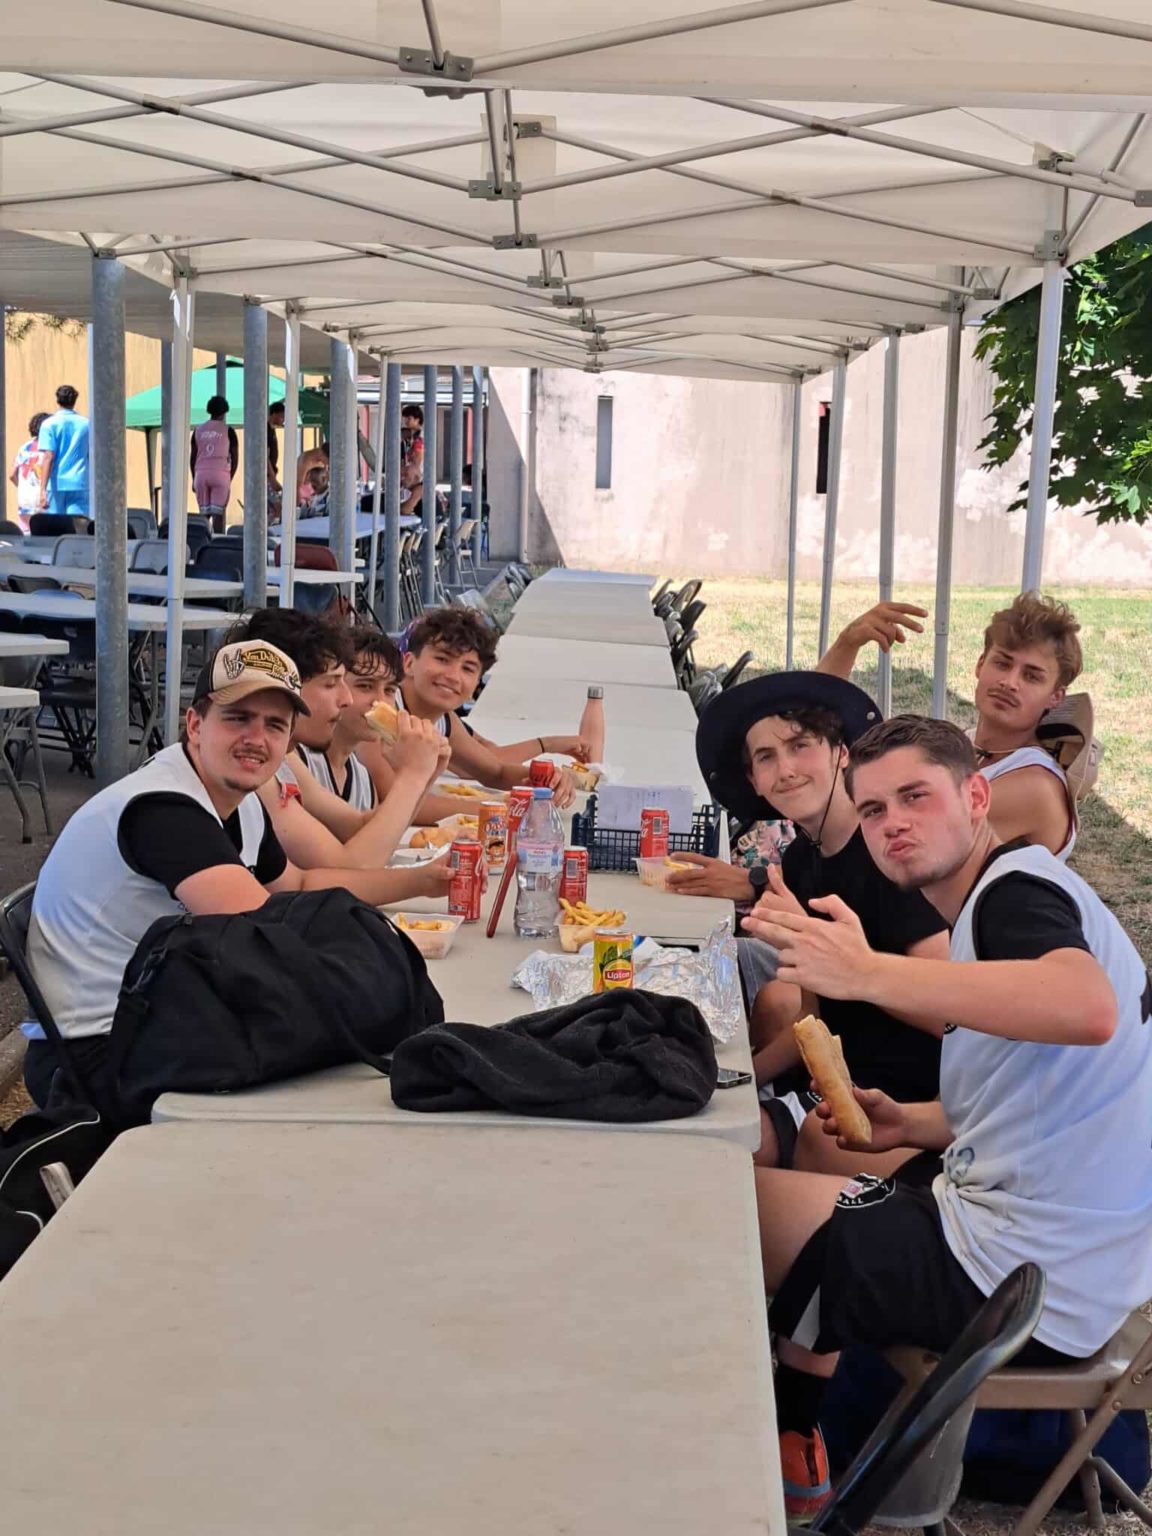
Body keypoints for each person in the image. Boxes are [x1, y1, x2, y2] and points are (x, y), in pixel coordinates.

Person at [747, 715, 1152, 1520]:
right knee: (817, 1162)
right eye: (872, 809)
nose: (893, 823)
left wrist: (868, 973)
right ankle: (799, 1432)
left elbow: (1087, 1008)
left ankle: (790, 1455)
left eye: (916, 797)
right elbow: (1039, 1088)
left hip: (1028, 1282)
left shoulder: (1015, 892)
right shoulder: (992, 903)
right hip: (1056, 1249)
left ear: (976, 798)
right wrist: (916, 1123)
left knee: (717, 1204)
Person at [23, 640, 450, 1110]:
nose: (256, 738)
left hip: (159, 1018)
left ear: (289, 741)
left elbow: (300, 886)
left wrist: (424, 881)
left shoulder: (238, 802)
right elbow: (267, 937)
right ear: (195, 724)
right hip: (97, 1053)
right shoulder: (164, 809)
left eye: (274, 725)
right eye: (238, 718)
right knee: (346, 1073)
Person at [696, 672, 950, 1170]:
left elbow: (952, 1017)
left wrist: (846, 963)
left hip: (897, 1111)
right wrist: (738, 1080)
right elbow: (814, 1019)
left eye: (800, 746)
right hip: (830, 1088)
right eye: (766, 757)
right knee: (702, 1125)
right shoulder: (800, 862)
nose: (786, 769)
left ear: (842, 753)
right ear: (753, 780)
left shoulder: (888, 856)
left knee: (715, 1160)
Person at [819, 592, 1085, 859]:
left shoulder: (1035, 786)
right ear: (980, 665)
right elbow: (815, 730)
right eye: (1002, 663)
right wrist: (847, 643)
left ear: (1056, 697)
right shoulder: (964, 743)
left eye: (1031, 676)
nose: (1010, 682)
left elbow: (868, 833)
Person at [234, 609, 453, 888]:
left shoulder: (285, 759)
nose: (346, 699)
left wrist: (426, 774)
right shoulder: (257, 769)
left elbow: (359, 828)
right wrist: (412, 776)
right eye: (331, 684)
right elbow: (351, 869)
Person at [361, 608, 581, 809]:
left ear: (477, 683)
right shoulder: (378, 712)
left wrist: (546, 779)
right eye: (442, 659)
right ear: (408, 663)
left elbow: (496, 772)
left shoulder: (444, 720)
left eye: (467, 669)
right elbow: (398, 803)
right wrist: (499, 808)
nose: (453, 676)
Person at [36, 385, 90, 519]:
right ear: (74, 401)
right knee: (78, 524)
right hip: (79, 481)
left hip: (56, 483)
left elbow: (49, 456)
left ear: (57, 400)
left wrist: (42, 489)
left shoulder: (49, 424)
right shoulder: (86, 424)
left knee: (56, 525)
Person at [189, 394, 239, 529]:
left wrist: (194, 478)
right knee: (218, 515)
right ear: (224, 412)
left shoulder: (198, 431)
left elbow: (193, 457)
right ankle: (217, 538)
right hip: (221, 474)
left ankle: (203, 536)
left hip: (201, 474)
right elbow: (235, 457)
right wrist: (229, 477)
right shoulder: (229, 431)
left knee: (204, 515)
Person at [8, 411, 49, 532]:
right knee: (44, 537)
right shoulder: (48, 450)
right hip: (42, 501)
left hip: (24, 500)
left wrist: (23, 487)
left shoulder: (24, 448)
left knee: (25, 534)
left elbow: (11, 474)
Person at [296, 440, 330, 505]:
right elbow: (297, 487)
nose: (327, 464)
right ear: (323, 455)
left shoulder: (322, 463)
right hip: (301, 498)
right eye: (327, 462)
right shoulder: (305, 461)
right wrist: (297, 506)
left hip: (315, 499)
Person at [267, 400, 285, 521]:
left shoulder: (271, 430)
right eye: (282, 416)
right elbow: (265, 455)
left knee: (273, 507)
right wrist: (272, 477)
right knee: (276, 507)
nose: (283, 420)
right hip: (267, 476)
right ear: (274, 414)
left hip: (270, 473)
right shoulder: (266, 430)